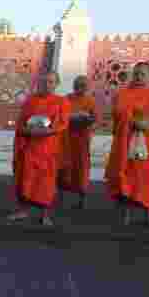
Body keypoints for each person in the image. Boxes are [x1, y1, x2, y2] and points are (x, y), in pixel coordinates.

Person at [104, 62, 149, 230]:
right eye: (136, 73)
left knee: (146, 180)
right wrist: (132, 120)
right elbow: (117, 112)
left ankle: (148, 216)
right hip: (125, 142)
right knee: (125, 177)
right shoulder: (123, 93)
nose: (138, 77)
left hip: (146, 144)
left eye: (142, 74)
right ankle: (126, 214)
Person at [7, 72, 70, 226]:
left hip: (48, 148)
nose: (47, 85)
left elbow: (63, 124)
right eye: (44, 82)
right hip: (30, 146)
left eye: (51, 82)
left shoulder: (62, 102)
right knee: (25, 178)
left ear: (57, 84)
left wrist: (48, 131)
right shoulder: (31, 100)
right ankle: (22, 210)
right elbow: (22, 122)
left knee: (46, 183)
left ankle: (45, 215)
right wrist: (27, 131)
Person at [58, 76, 97, 208]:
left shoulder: (91, 101)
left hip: (82, 139)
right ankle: (61, 198)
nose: (80, 87)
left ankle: (82, 200)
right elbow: (60, 115)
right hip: (67, 138)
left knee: (82, 168)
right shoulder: (66, 99)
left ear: (87, 87)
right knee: (64, 167)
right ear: (74, 85)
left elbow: (94, 118)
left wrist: (86, 118)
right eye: (78, 84)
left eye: (83, 85)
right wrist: (71, 117)